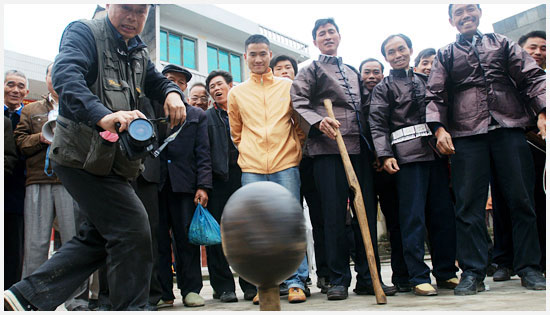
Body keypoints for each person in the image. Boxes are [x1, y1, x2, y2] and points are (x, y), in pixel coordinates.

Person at [4, 4, 187, 311]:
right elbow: (66, 77)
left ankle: (24, 297)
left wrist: (172, 93)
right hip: (79, 155)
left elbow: (158, 81)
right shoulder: (84, 32)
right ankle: (132, 308)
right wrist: (102, 115)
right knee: (132, 227)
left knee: (100, 236)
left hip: (110, 162)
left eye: (140, 11)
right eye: (126, 8)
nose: (132, 17)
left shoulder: (138, 51)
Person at [426, 4, 546, 295]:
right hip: (466, 134)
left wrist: (543, 111)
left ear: (479, 13)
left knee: (522, 200)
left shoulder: (502, 43)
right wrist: (439, 128)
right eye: (459, 13)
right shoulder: (445, 54)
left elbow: (533, 77)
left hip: (508, 128)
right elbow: (435, 94)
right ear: (451, 20)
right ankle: (473, 272)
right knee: (468, 206)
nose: (466, 16)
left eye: (470, 10)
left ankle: (529, 266)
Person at [292, 18, 396, 301]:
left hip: (359, 150)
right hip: (327, 151)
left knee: (366, 214)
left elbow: (366, 110)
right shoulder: (310, 70)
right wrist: (318, 121)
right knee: (334, 216)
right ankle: (339, 279)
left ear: (339, 36)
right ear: (315, 41)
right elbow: (298, 102)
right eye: (321, 33)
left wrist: (376, 150)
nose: (327, 36)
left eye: (331, 31)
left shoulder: (351, 71)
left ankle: (367, 277)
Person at [369, 34, 458, 296]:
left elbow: (440, 111)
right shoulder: (382, 88)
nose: (397, 55)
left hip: (435, 156)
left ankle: (446, 272)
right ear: (386, 57)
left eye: (401, 49)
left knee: (443, 216)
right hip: (406, 161)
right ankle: (418, 275)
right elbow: (377, 124)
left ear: (410, 50)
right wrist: (385, 155)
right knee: (413, 219)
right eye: (391, 52)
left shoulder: (425, 80)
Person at [228, 34, 309, 304]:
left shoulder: (287, 86)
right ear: (245, 57)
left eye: (263, 54)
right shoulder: (236, 93)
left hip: (286, 163)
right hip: (251, 167)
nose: (259, 59)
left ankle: (297, 281)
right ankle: (263, 285)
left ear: (270, 54)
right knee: (255, 227)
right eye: (253, 54)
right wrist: (251, 152)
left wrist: (291, 149)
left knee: (290, 223)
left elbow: (298, 125)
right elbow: (236, 132)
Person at [13, 63, 89, 311]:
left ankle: (76, 300)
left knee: (73, 242)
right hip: (38, 180)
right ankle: (32, 299)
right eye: (51, 74)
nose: (55, 79)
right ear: (46, 78)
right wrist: (42, 138)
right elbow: (21, 142)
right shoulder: (31, 109)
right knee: (35, 243)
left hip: (72, 182)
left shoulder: (78, 105)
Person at [491, 30, 547, 281]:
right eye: (532, 47)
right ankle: (504, 259)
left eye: (543, 48)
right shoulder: (509, 81)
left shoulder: (543, 81)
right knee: (506, 202)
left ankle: (537, 260)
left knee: (538, 204)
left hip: (542, 152)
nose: (537, 52)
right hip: (513, 143)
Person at [157, 63, 212, 308]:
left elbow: (203, 153)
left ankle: (191, 290)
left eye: (180, 81)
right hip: (155, 184)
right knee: (157, 239)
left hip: (185, 185)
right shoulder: (151, 109)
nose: (175, 84)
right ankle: (163, 292)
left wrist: (203, 186)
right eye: (170, 79)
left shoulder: (197, 115)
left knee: (186, 240)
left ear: (185, 87)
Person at [205, 70, 257, 303]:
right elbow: (202, 153)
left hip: (243, 177)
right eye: (212, 87)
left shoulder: (244, 110)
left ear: (230, 86)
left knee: (245, 233)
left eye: (219, 84)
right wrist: (203, 186)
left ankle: (250, 284)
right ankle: (224, 287)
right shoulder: (206, 117)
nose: (216, 89)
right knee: (217, 238)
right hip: (217, 181)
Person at [359, 57, 410, 292]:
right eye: (367, 72)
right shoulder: (354, 101)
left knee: (397, 222)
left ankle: (403, 275)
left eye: (376, 72)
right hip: (364, 170)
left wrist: (385, 155)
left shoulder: (391, 94)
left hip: (391, 167)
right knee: (365, 224)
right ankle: (370, 280)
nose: (371, 77)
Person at [4, 70, 28, 290]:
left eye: (20, 86)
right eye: (11, 84)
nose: (15, 90)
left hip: (18, 192)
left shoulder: (28, 116)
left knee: (14, 247)